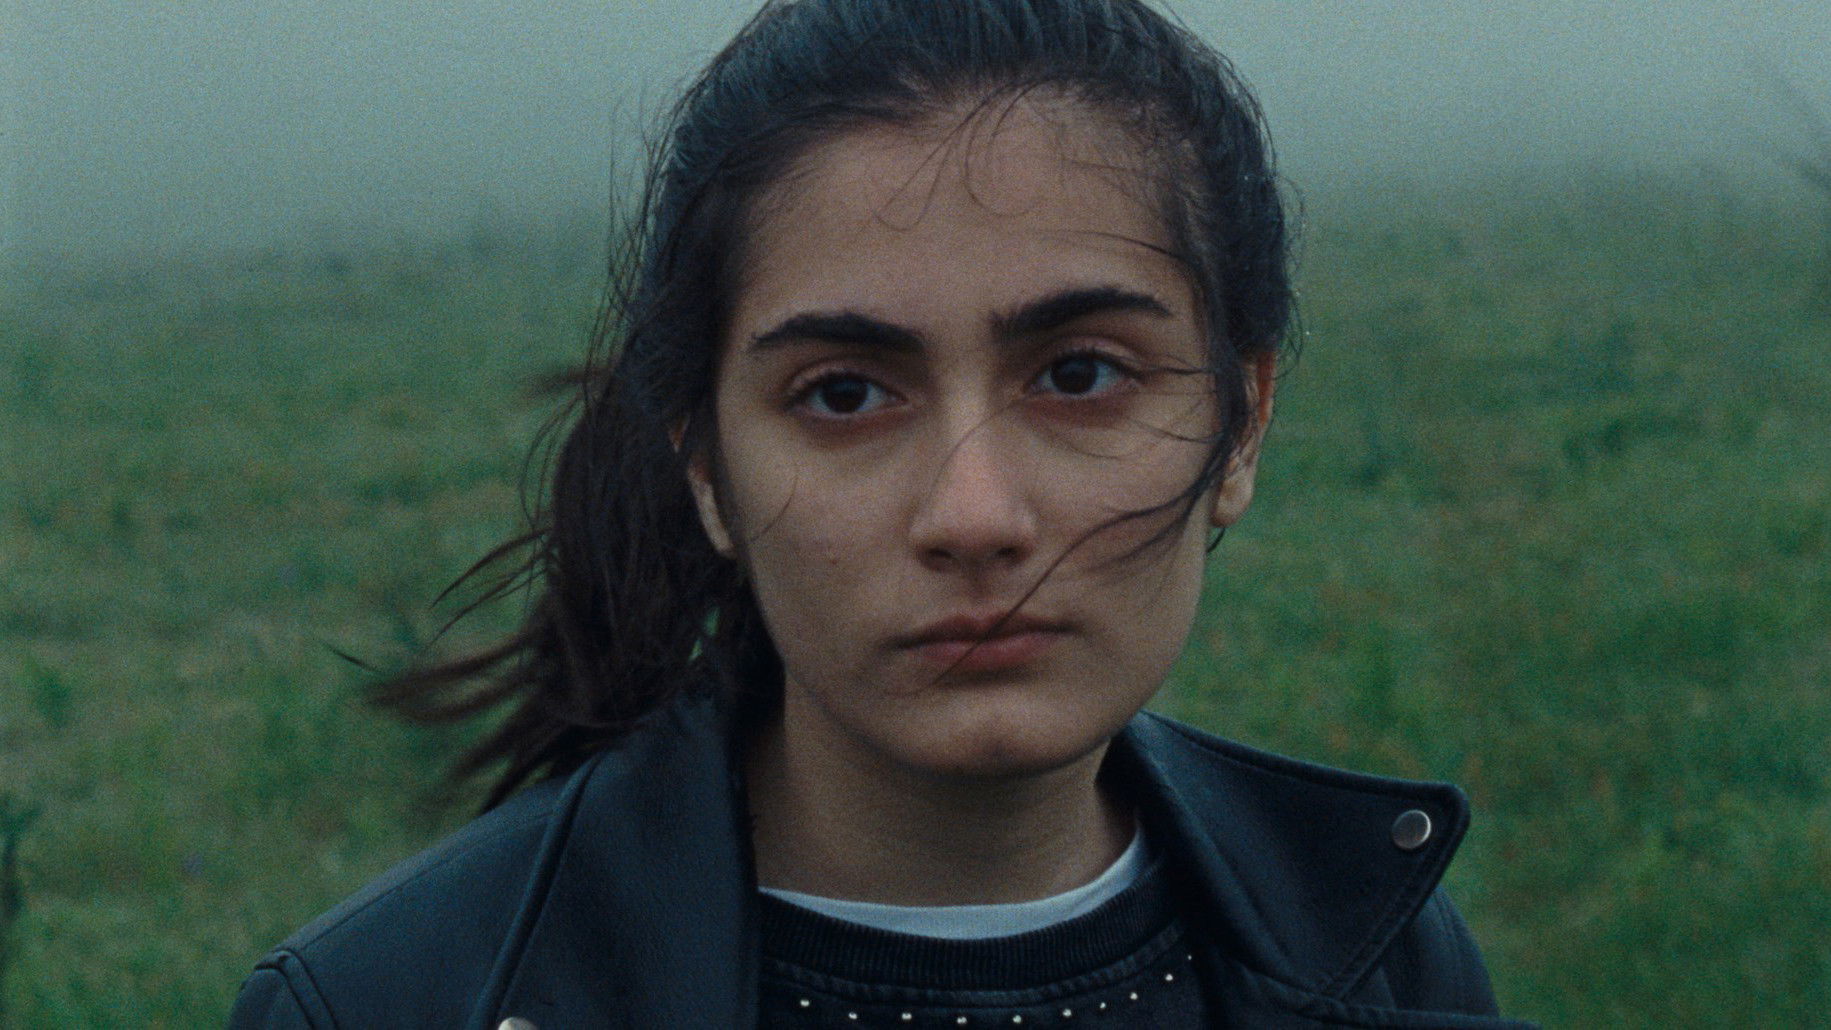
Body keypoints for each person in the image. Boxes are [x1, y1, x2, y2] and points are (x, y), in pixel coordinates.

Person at [230, 1, 1529, 1026]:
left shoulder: (1382, 952)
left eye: (1081, 375)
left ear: (1241, 423)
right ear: (706, 470)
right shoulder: (389, 1003)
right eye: (845, 394)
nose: (974, 514)